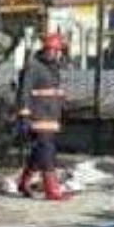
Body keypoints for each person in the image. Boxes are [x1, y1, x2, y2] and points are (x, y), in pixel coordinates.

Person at [15, 32, 71, 201]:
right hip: (38, 117)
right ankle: (52, 190)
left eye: (56, 51)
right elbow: (24, 92)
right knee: (47, 152)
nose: (54, 54)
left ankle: (23, 183)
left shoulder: (53, 68)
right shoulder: (34, 66)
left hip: (51, 116)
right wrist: (24, 116)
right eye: (51, 50)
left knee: (38, 153)